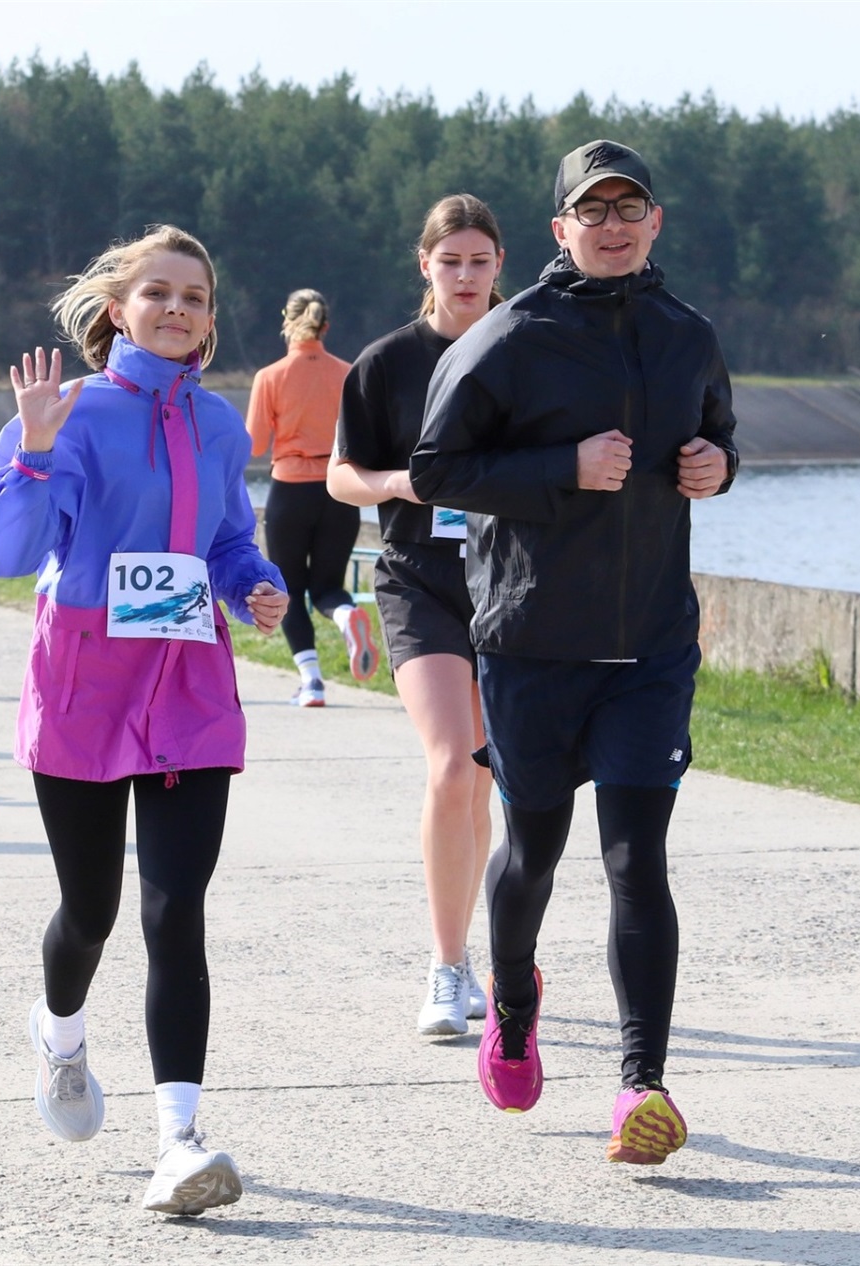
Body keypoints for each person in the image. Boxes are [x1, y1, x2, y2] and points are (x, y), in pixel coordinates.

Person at [411, 141, 738, 1165]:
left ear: (654, 223)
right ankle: (512, 1000)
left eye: (628, 208)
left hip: (648, 645)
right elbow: (434, 468)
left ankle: (643, 1086)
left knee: (638, 860)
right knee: (534, 856)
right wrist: (565, 466)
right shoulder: (512, 336)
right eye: (590, 211)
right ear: (559, 231)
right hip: (531, 646)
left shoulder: (688, 335)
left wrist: (716, 467)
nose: (611, 224)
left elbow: (723, 440)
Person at [0, 225, 289, 1217]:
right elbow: (2, 550)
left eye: (195, 296)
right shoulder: (71, 412)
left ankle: (178, 1142)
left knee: (173, 912)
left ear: (210, 320)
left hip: (188, 689)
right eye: (159, 293)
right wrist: (36, 448)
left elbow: (228, 540)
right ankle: (59, 1032)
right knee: (92, 911)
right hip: (84, 687)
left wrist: (258, 585)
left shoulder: (220, 425)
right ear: (119, 310)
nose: (178, 309)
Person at [329, 195, 506, 1037]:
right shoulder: (385, 362)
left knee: (485, 776)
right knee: (449, 765)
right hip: (417, 580)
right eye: (451, 261)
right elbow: (339, 476)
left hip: (511, 583)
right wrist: (396, 484)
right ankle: (445, 968)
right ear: (424, 264)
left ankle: (478, 954)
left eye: (479, 261)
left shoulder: (530, 346)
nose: (465, 276)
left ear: (499, 264)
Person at [246, 289, 371, 706]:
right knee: (327, 588)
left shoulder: (271, 376)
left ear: (287, 322)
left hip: (289, 490)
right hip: (339, 489)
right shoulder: (348, 372)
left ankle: (312, 682)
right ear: (326, 327)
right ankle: (345, 615)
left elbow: (256, 445)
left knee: (289, 589)